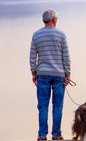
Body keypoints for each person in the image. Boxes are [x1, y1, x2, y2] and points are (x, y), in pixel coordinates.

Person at [30, 9, 71, 141]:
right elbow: (66, 57)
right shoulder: (61, 35)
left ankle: (42, 135)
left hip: (42, 75)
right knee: (57, 106)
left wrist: (34, 73)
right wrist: (68, 74)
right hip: (59, 75)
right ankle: (56, 135)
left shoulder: (36, 35)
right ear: (54, 20)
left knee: (43, 106)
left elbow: (32, 58)